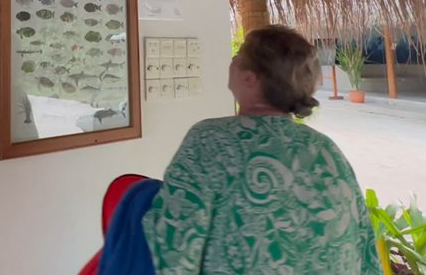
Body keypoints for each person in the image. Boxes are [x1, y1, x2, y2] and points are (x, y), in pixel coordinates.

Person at [141, 25, 381, 274]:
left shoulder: (210, 141)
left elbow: (174, 246)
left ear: (250, 78)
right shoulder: (327, 150)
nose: (232, 60)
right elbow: (365, 250)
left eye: (238, 55)